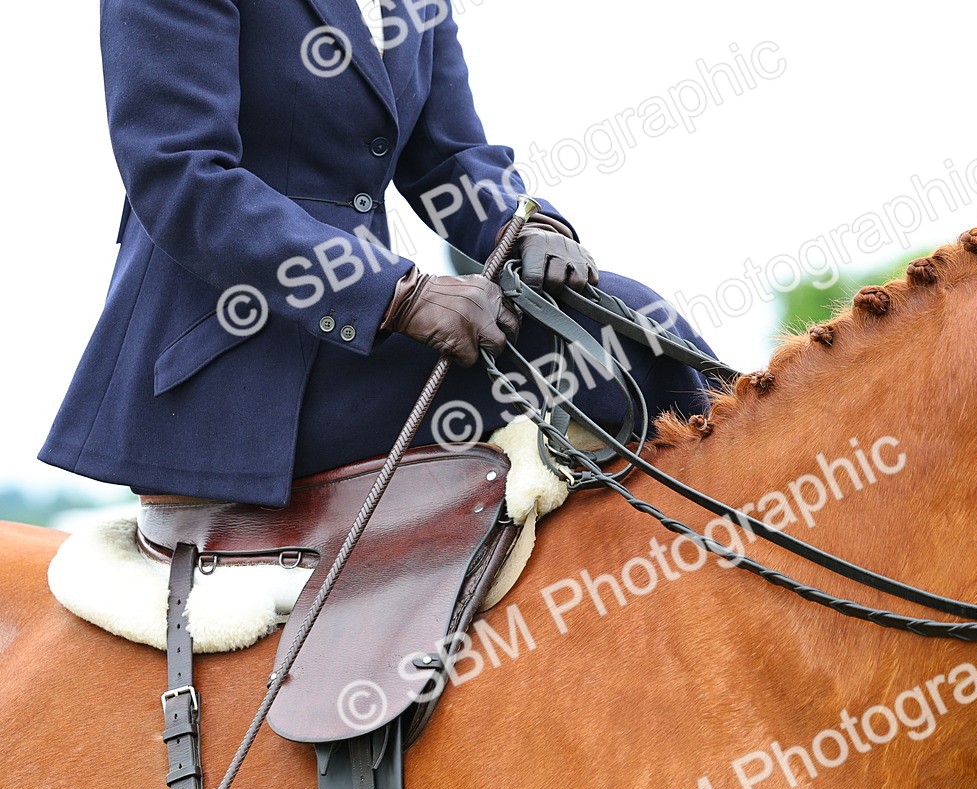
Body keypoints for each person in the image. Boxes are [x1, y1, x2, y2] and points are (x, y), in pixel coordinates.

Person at [39, 0, 717, 508]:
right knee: (620, 339)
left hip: (355, 346)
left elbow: (449, 158)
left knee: (638, 325)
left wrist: (529, 230)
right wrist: (396, 294)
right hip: (234, 368)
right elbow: (181, 177)